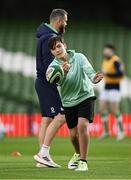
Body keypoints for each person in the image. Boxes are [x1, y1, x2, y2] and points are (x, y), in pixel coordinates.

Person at [47, 36, 103, 171]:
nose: (57, 50)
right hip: (68, 102)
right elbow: (54, 82)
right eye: (53, 49)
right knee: (73, 136)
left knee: (83, 126)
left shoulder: (79, 57)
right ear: (51, 53)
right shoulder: (53, 67)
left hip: (85, 96)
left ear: (64, 45)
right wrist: (64, 73)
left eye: (59, 46)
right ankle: (77, 153)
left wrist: (95, 79)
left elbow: (90, 74)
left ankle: (83, 161)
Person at [34, 9, 68, 168]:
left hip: (41, 82)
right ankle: (43, 155)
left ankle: (42, 160)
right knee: (61, 116)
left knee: (46, 120)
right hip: (46, 82)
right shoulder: (50, 38)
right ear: (59, 21)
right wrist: (64, 69)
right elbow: (50, 67)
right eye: (66, 21)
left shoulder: (44, 35)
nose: (66, 24)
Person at [99, 44, 125, 140]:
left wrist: (107, 73)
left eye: (107, 51)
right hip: (106, 87)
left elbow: (121, 73)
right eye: (105, 50)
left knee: (114, 110)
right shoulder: (105, 60)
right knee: (102, 109)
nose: (105, 52)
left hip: (115, 87)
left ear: (112, 51)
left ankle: (121, 131)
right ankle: (106, 131)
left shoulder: (116, 61)